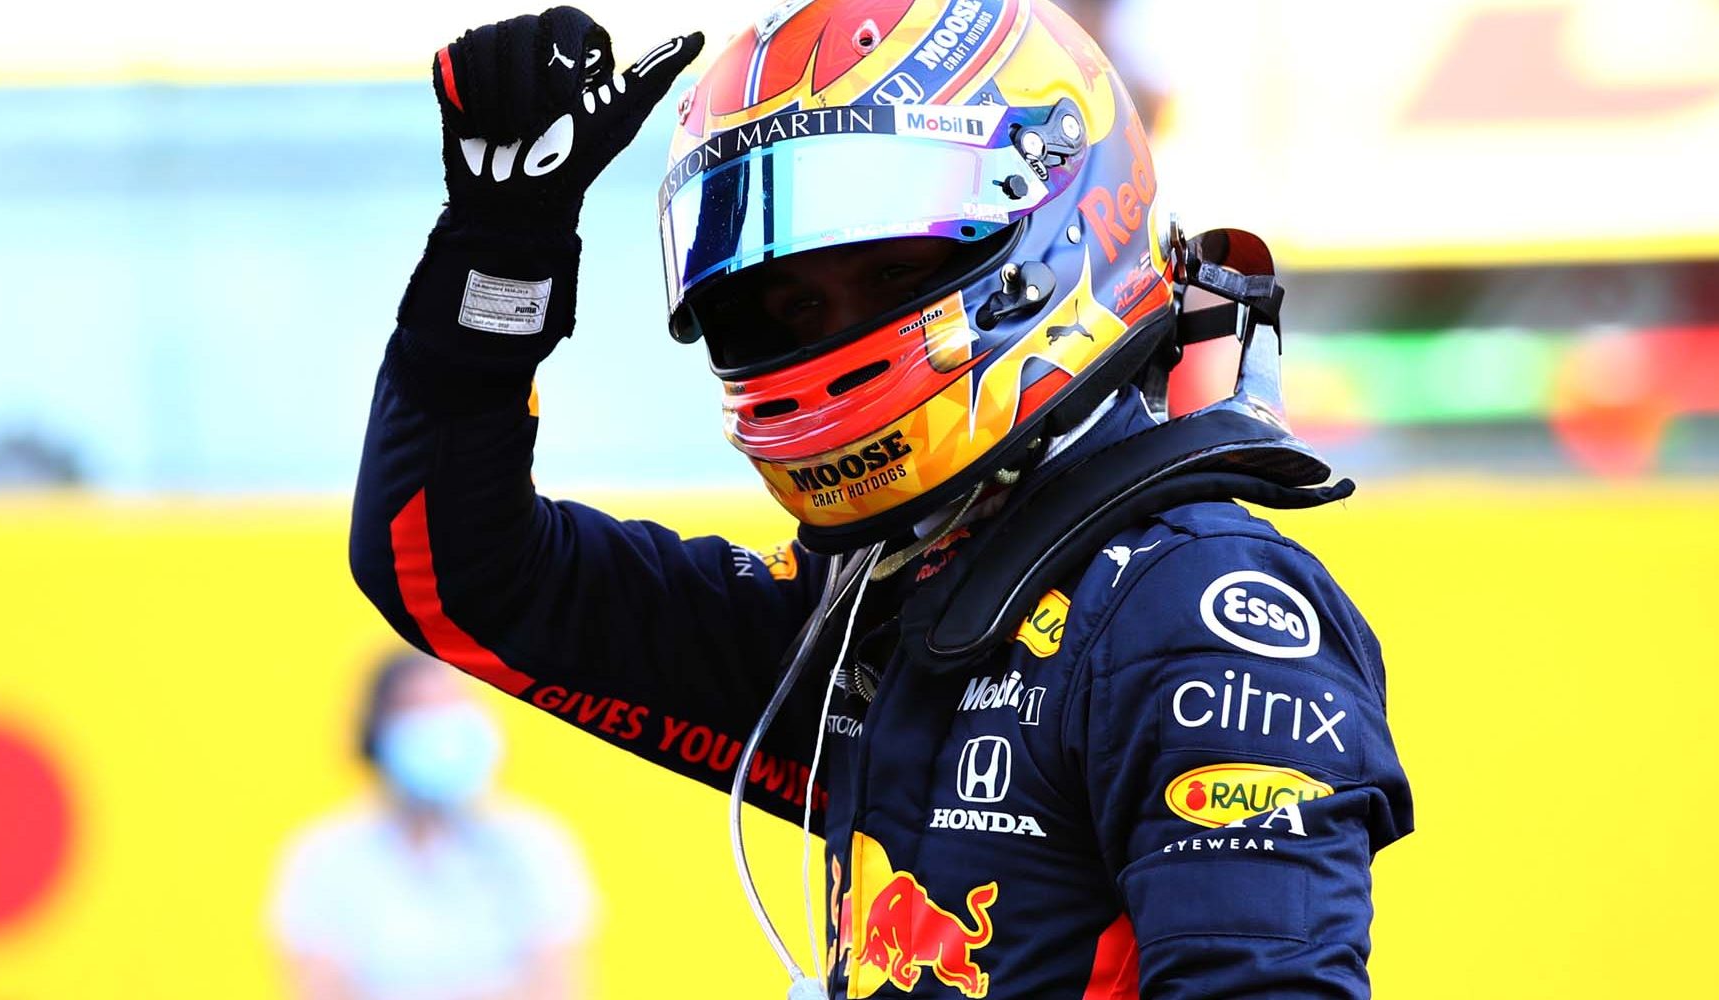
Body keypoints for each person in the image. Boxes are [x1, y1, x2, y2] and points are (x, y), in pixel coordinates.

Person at [350, 3, 1412, 996]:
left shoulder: (1195, 617)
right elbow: (457, 572)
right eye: (794, 302)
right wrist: (505, 248)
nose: (832, 332)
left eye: (889, 271)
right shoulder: (879, 606)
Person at [270, 651, 595, 1000]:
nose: (440, 724)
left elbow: (555, 986)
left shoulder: (533, 845)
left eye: (453, 703)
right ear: (378, 733)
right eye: (417, 708)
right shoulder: (325, 858)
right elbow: (323, 988)